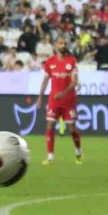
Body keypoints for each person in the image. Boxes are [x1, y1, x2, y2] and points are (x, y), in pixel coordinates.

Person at [36, 36, 83, 165]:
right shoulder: (50, 62)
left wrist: (62, 94)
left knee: (72, 129)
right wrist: (40, 96)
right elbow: (45, 80)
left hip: (69, 101)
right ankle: (50, 156)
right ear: (56, 45)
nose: (63, 45)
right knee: (50, 125)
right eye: (61, 43)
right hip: (54, 101)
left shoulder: (71, 61)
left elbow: (75, 82)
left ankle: (78, 151)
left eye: (65, 43)